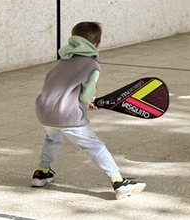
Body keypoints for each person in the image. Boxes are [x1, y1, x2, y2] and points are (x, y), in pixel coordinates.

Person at [32, 22, 146, 199]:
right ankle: (118, 182)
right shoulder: (92, 65)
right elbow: (86, 96)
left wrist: (84, 100)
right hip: (66, 114)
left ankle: (41, 172)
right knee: (96, 147)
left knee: (52, 138)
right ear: (97, 44)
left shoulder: (62, 60)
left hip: (44, 110)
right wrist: (88, 101)